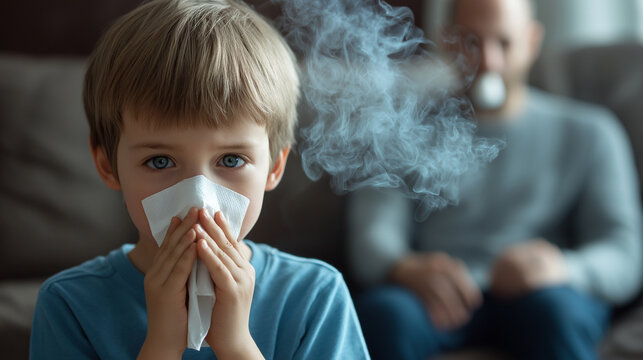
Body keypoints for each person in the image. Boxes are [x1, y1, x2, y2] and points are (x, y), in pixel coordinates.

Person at [29, 0, 369, 359]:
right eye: (160, 161)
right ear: (107, 165)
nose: (198, 198)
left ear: (274, 167)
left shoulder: (314, 296)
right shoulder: (68, 306)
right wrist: (161, 345)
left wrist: (236, 345)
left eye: (231, 159)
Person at [348, 0, 643, 359]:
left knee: (556, 313)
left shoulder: (590, 133)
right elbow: (370, 238)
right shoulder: (400, 130)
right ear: (448, 43)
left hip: (543, 295)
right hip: (436, 298)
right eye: (472, 42)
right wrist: (405, 267)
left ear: (532, 41)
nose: (488, 62)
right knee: (387, 315)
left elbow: (625, 254)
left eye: (504, 43)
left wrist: (564, 267)